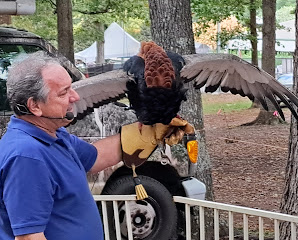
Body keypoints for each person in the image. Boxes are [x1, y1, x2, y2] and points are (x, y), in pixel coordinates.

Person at [0, 52, 194, 240]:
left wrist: (152, 130)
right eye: (64, 92)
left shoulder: (53, 135)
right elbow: (29, 236)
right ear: (34, 106)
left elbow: (96, 157)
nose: (75, 96)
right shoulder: (26, 156)